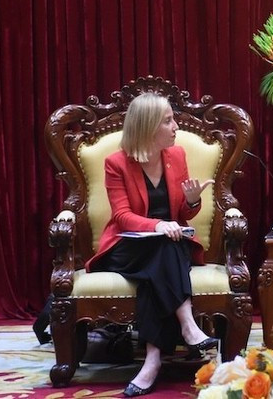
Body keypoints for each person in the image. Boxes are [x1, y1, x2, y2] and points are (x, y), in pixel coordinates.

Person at [86, 93, 216, 397]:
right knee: (163, 247)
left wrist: (192, 201)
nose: (176, 126)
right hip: (127, 248)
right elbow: (121, 216)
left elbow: (183, 215)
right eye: (168, 120)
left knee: (158, 264)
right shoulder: (116, 163)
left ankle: (153, 360)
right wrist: (158, 225)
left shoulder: (177, 156)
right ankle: (187, 324)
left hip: (166, 246)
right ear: (147, 127)